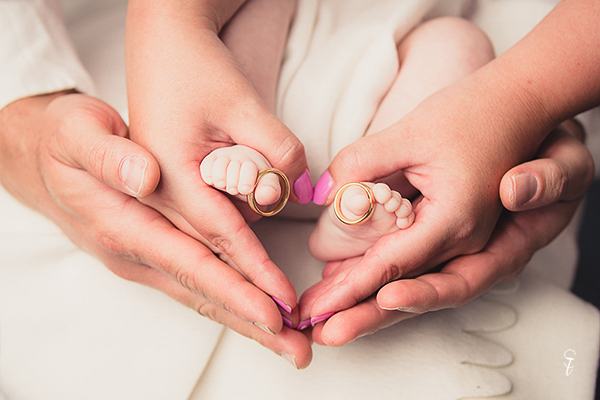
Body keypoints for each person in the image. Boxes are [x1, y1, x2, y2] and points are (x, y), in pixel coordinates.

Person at [0, 0, 595, 372]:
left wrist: (527, 97)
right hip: (216, 80)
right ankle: (240, 171)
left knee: (458, 47)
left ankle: (355, 213)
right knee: (247, 21)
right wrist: (172, 17)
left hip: (419, 91)